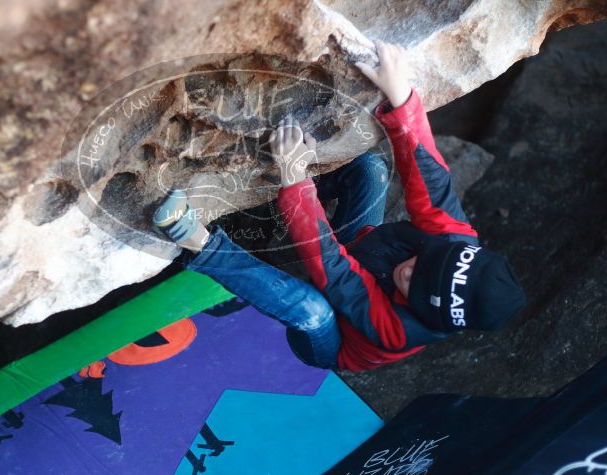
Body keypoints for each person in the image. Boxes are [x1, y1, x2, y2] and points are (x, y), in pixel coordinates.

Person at [151, 40, 526, 371]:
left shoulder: (399, 331)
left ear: (430, 313)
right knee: (370, 169)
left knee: (311, 309)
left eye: (419, 289)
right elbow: (429, 178)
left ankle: (199, 242)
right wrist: (402, 98)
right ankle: (292, 176)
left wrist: (294, 178)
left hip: (329, 337)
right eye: (426, 264)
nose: (410, 273)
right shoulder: (456, 241)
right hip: (359, 250)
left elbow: (335, 272)